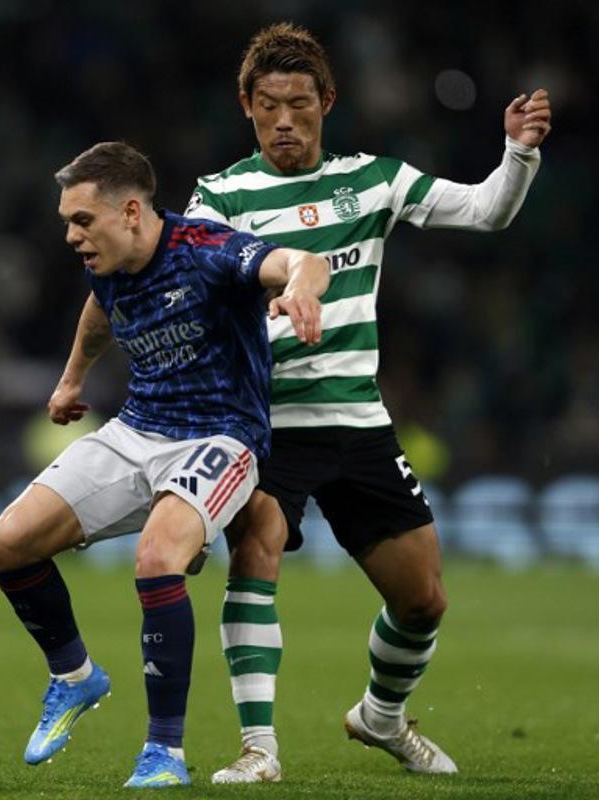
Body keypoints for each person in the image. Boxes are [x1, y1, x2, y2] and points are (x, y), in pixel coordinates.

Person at [183, 23, 553, 783]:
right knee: (255, 552)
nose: (284, 121)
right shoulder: (219, 197)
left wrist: (517, 153)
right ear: (246, 107)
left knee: (424, 601)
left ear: (328, 101)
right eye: (268, 106)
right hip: (268, 425)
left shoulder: (376, 180)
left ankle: (382, 716)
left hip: (358, 425)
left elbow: (487, 211)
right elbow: (201, 298)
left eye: (299, 104)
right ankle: (259, 750)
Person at [0, 140, 329, 788]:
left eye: (82, 220)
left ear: (131, 211)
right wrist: (71, 380)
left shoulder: (206, 250)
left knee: (156, 557)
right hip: (138, 428)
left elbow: (302, 261)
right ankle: (74, 677)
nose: (71, 236)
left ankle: (163, 752)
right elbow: (99, 311)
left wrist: (301, 291)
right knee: (8, 543)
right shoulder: (108, 264)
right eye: (67, 222)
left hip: (222, 435)